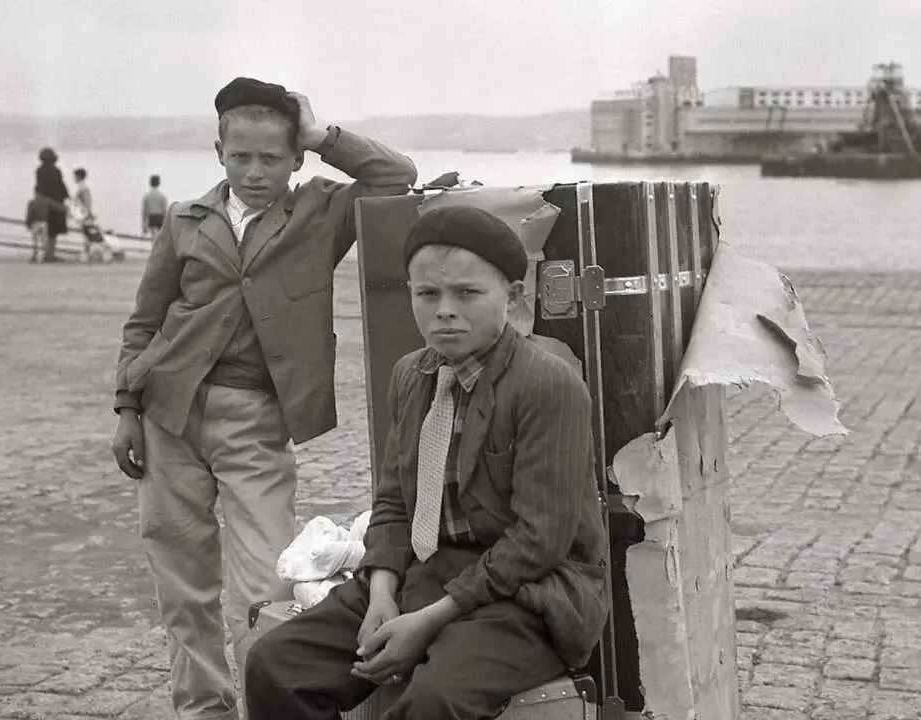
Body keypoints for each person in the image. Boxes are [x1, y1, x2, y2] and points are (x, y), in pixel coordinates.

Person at [111, 76, 416, 720]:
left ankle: (265, 706)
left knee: (269, 578)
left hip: (256, 420)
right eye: (240, 156)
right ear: (218, 151)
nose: (254, 172)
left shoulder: (321, 213)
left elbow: (395, 175)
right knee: (182, 582)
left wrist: (320, 133)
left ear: (296, 159)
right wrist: (126, 410)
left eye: (272, 157)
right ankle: (203, 708)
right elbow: (145, 323)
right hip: (169, 414)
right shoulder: (185, 221)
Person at [244, 206, 610, 720]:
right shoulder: (412, 376)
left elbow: (538, 541)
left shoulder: (546, 384)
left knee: (434, 702)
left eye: (467, 293)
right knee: (275, 666)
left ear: (512, 295)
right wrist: (381, 596)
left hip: (527, 595)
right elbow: (393, 503)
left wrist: (429, 621)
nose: (444, 311)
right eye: (427, 294)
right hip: (425, 574)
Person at [35, 147, 70, 262]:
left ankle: (46, 253)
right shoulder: (55, 170)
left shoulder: (39, 170)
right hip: (56, 202)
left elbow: (39, 187)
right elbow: (60, 186)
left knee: (45, 229)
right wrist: (66, 199)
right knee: (53, 231)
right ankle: (50, 254)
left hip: (43, 202)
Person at [25, 195, 50, 262]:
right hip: (44, 223)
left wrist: (28, 224)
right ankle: (42, 257)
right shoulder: (46, 203)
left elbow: (29, 214)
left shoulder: (32, 203)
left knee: (35, 241)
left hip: (35, 223)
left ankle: (35, 255)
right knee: (43, 240)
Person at [142, 174, 169, 239]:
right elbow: (165, 210)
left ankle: (154, 247)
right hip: (160, 217)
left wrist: (144, 225)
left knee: (153, 236)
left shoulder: (147, 196)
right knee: (160, 238)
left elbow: (145, 211)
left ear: (150, 183)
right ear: (158, 183)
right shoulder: (162, 196)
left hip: (151, 218)